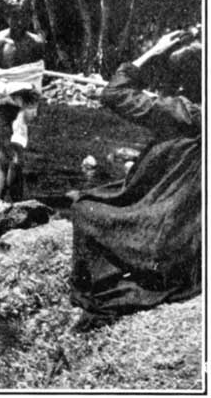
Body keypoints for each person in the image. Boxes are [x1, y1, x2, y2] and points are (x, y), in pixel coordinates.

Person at [69, 30, 202, 329]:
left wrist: (151, 53)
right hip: (189, 234)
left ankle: (96, 290)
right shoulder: (194, 113)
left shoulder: (180, 113)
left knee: (85, 206)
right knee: (108, 194)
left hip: (166, 237)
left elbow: (113, 93)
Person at [0, 6, 45, 202]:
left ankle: (16, 207)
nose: (19, 22)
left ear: (28, 18)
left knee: (17, 156)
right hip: (0, 102)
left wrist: (31, 101)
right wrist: (9, 89)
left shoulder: (36, 44)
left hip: (24, 102)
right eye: (14, 16)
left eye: (23, 17)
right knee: (6, 157)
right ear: (7, 17)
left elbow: (36, 75)